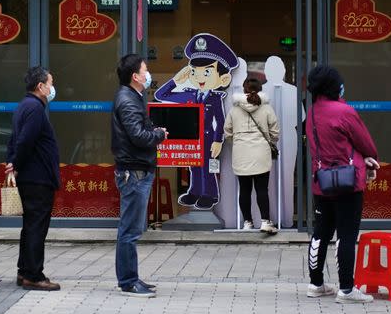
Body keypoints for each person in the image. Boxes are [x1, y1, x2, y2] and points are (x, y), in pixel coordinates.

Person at [304, 65, 380, 304]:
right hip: (348, 182)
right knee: (346, 235)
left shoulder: (313, 112)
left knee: (320, 232)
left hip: (322, 182)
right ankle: (346, 289)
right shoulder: (344, 111)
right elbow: (366, 143)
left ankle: (316, 284)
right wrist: (369, 159)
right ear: (335, 86)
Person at [154, 33, 239, 210]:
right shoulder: (190, 94)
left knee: (207, 167)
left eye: (207, 72)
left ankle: (209, 194)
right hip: (192, 138)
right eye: (194, 72)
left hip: (207, 137)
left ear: (223, 78)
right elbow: (161, 95)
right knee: (194, 167)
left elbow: (220, 120)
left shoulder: (215, 98)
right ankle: (195, 191)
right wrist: (176, 80)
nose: (199, 77)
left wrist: (218, 140)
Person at [112, 54, 168, 297]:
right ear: (135, 76)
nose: (148, 74)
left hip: (137, 169)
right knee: (130, 230)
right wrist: (158, 135)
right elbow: (137, 136)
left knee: (132, 229)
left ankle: (131, 278)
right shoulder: (128, 100)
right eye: (145, 70)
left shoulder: (133, 97)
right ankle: (127, 282)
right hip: (133, 172)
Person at [6, 66, 61, 291]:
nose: (52, 87)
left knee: (30, 226)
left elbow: (14, 140)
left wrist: (12, 162)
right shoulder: (35, 109)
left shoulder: (24, 106)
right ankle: (34, 275)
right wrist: (16, 164)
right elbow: (25, 141)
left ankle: (24, 271)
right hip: (37, 178)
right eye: (50, 83)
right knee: (37, 227)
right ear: (40, 86)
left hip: (30, 176)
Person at [224, 78, 280, 234]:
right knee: (262, 189)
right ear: (260, 89)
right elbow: (275, 132)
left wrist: (238, 142)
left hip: (240, 154)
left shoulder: (234, 110)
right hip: (261, 154)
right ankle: (265, 221)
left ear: (244, 90)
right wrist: (268, 140)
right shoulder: (267, 108)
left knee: (244, 190)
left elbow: (227, 132)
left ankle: (247, 222)